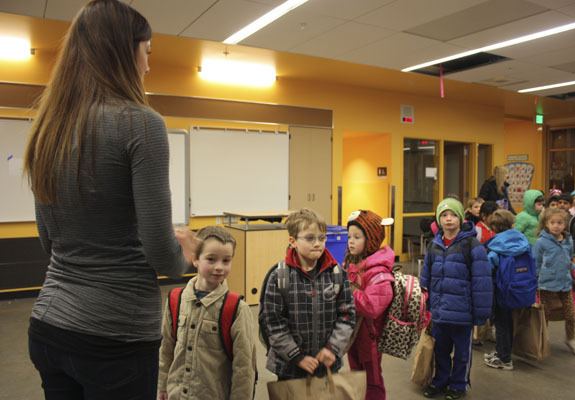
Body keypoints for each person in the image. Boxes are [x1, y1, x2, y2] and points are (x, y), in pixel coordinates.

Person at [24, 1, 196, 398]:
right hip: (115, 336)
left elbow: (49, 241)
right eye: (147, 52)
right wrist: (183, 251)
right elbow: (160, 254)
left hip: (49, 326)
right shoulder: (142, 124)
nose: (148, 66)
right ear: (124, 51)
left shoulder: (49, 126)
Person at [157, 227, 256, 400]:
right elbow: (166, 348)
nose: (219, 267)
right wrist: (162, 384)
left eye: (226, 261)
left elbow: (244, 368)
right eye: (211, 259)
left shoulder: (237, 309)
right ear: (195, 259)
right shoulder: (175, 299)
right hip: (176, 394)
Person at [262, 208, 356, 380]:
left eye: (322, 238)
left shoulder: (337, 274)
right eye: (310, 238)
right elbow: (273, 323)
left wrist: (332, 348)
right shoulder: (279, 276)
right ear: (293, 241)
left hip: (326, 366)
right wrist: (296, 356)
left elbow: (347, 316)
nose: (318, 243)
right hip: (290, 367)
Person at [420, 198, 493, 400]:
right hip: (440, 310)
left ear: (461, 218)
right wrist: (425, 304)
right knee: (440, 351)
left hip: (463, 312)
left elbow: (482, 282)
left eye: (453, 215)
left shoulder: (472, 245)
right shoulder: (434, 245)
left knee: (462, 354)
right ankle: (440, 381)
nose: (448, 219)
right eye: (444, 215)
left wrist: (481, 313)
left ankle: (458, 384)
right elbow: (426, 277)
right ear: (438, 219)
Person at [344, 210, 395, 400]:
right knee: (357, 375)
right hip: (354, 333)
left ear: (371, 239)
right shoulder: (354, 263)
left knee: (372, 380)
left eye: (357, 237)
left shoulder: (379, 271)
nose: (351, 241)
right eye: (349, 236)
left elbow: (372, 306)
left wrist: (346, 291)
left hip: (370, 336)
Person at [534, 208, 575, 356]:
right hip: (546, 285)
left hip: (565, 284)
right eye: (552, 222)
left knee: (571, 313)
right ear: (546, 224)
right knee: (545, 315)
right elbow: (536, 264)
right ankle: (543, 339)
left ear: (565, 225)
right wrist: (534, 283)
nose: (556, 226)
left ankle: (571, 339)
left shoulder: (568, 241)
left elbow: (568, 261)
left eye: (560, 222)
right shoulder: (541, 243)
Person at [483, 210, 531, 371]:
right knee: (509, 322)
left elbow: (488, 268)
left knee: (501, 324)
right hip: (520, 288)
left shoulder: (494, 246)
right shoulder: (523, 241)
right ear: (512, 224)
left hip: (501, 291)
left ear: (493, 228)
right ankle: (503, 352)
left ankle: (504, 359)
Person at [557, 193, 575, 268]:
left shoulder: (573, 220)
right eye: (560, 202)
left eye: (565, 203)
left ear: (571, 205)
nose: (562, 205)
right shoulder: (552, 217)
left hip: (568, 251)